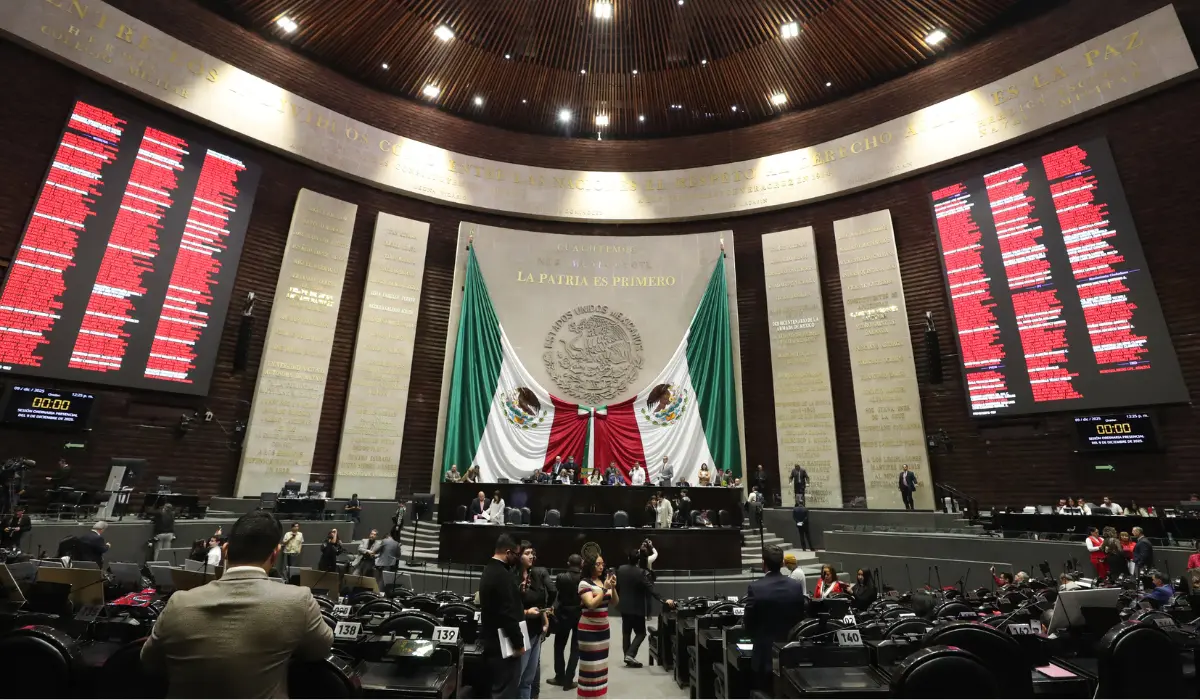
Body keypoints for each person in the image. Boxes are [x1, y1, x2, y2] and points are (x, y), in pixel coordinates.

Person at [141, 510, 332, 696]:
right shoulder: (299, 600)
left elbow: (149, 661)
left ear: (225, 550)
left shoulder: (178, 602)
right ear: (275, 554)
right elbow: (320, 650)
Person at [744, 545, 806, 692]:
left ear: (763, 564)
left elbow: (748, 623)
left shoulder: (756, 588)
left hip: (764, 655)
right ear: (782, 564)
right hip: (789, 655)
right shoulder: (795, 587)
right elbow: (800, 619)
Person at [481, 534, 526, 698]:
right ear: (508, 552)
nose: (518, 558)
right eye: (517, 554)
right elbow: (508, 614)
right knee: (505, 693)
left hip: (492, 642)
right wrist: (519, 643)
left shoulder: (489, 569)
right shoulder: (502, 575)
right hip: (504, 647)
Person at [616, 548, 673, 669]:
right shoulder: (641, 572)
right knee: (641, 633)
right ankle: (630, 655)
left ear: (628, 559)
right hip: (637, 609)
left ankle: (627, 656)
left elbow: (617, 587)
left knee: (626, 633)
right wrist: (663, 599)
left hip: (624, 606)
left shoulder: (620, 569)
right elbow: (651, 589)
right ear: (638, 561)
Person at [577, 550, 617, 698]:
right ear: (590, 566)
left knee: (601, 666)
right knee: (590, 668)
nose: (601, 567)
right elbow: (591, 604)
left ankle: (600, 697)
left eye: (602, 564)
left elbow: (615, 602)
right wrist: (605, 589)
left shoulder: (603, 581)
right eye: (598, 564)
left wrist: (612, 587)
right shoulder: (584, 583)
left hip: (603, 630)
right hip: (588, 629)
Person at [515, 541, 552, 699]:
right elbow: (508, 608)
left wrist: (545, 619)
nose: (531, 556)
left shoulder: (535, 575)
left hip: (536, 632)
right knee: (516, 678)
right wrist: (526, 612)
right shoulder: (512, 577)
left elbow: (539, 600)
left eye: (532, 553)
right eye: (527, 553)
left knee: (527, 680)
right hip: (519, 632)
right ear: (519, 556)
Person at [549, 554, 583, 691]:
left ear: (568, 563)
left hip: (563, 615)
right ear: (581, 564)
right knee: (575, 648)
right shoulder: (583, 578)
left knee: (559, 646)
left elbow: (559, 595)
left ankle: (559, 676)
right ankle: (569, 680)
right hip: (579, 614)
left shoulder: (561, 577)